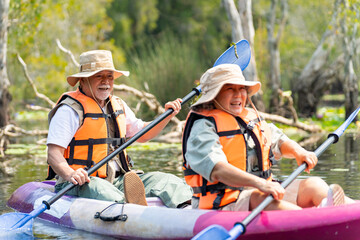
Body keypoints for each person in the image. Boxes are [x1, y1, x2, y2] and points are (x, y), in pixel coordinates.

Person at [182, 63, 354, 211]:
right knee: (261, 197)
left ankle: (345, 209)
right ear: (214, 95)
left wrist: (299, 152)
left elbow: (277, 139)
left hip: (260, 191)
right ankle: (322, 218)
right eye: (229, 89)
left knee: (313, 184)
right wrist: (260, 184)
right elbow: (218, 169)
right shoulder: (202, 127)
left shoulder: (247, 117)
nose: (238, 95)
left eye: (241, 89)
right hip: (220, 203)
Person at [46, 49, 192, 208]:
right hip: (81, 182)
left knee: (166, 180)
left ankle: (188, 209)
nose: (106, 82)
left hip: (118, 180)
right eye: (99, 76)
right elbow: (53, 154)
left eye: (109, 76)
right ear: (84, 80)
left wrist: (166, 116)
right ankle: (132, 211)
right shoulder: (69, 110)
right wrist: (71, 174)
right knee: (101, 189)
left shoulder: (118, 104)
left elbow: (143, 134)